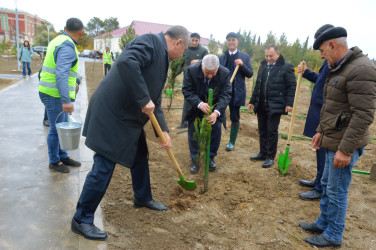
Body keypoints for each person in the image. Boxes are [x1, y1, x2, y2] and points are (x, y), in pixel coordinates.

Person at [71, 26, 189, 241]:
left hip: (127, 118)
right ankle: (82, 218)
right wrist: (144, 99)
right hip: (113, 115)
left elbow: (156, 100)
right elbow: (127, 62)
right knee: (104, 166)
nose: (180, 57)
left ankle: (142, 197)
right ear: (178, 43)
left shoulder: (162, 57)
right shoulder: (150, 42)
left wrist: (163, 131)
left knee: (140, 156)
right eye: (182, 52)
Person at [299, 25, 376, 248]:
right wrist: (320, 131)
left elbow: (363, 115)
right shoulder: (339, 68)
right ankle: (324, 221)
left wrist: (345, 149)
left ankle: (334, 233)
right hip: (331, 138)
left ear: (333, 45)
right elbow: (332, 107)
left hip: (344, 142)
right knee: (326, 183)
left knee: (337, 190)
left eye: (323, 51)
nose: (322, 56)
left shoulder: (361, 69)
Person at [38, 18, 83, 173]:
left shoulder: (57, 40)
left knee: (62, 127)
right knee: (56, 129)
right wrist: (66, 101)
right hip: (54, 94)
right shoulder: (68, 46)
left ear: (65, 28)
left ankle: (62, 155)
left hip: (52, 92)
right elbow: (61, 73)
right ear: (81, 32)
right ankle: (54, 161)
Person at [248, 44, 296, 168]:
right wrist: (252, 100)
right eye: (267, 55)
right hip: (261, 104)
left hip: (275, 104)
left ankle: (270, 156)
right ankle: (262, 153)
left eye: (271, 56)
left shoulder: (286, 67)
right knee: (262, 130)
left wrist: (289, 103)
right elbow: (258, 85)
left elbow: (291, 86)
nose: (268, 58)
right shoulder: (263, 66)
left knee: (271, 131)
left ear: (278, 54)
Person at [182, 54, 232, 174]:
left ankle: (210, 157)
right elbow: (187, 90)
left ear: (218, 68)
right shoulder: (191, 70)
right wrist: (199, 103)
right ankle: (195, 158)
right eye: (207, 73)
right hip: (195, 106)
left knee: (216, 130)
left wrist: (216, 112)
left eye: (213, 73)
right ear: (201, 66)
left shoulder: (224, 73)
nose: (210, 76)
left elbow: (226, 94)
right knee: (193, 131)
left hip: (214, 107)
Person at [219, 32, 253, 151]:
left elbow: (250, 74)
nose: (231, 42)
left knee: (234, 117)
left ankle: (231, 142)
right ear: (226, 42)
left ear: (237, 42)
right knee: (218, 113)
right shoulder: (222, 57)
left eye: (233, 40)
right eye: (229, 40)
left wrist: (242, 65)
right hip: (223, 91)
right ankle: (217, 137)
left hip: (236, 92)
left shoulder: (244, 57)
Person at [177, 33, 209, 129]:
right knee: (187, 101)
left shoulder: (203, 50)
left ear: (199, 40)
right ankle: (184, 122)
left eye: (196, 40)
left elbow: (207, 61)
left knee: (200, 100)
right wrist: (176, 73)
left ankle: (199, 123)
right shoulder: (186, 50)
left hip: (200, 79)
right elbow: (180, 63)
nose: (194, 42)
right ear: (190, 40)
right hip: (187, 79)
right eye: (193, 40)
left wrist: (198, 61)